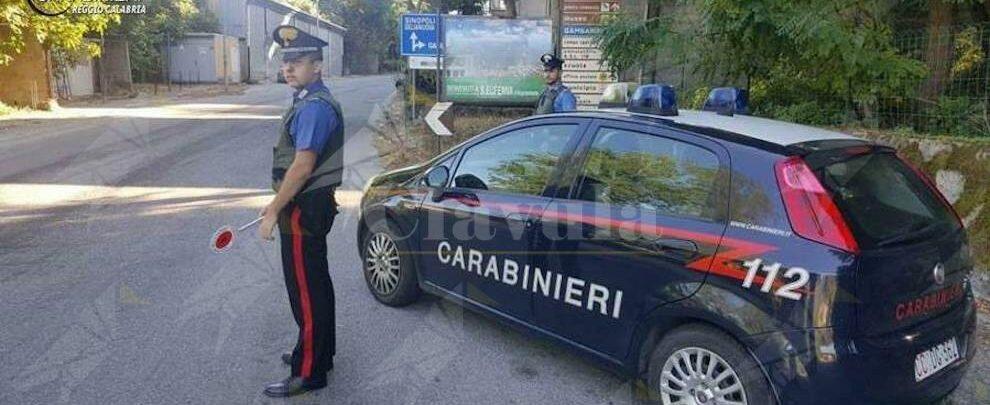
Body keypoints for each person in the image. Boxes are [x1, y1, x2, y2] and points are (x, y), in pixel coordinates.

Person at [257, 24, 344, 398]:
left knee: (306, 292)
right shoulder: (309, 101)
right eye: (286, 62)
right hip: (309, 207)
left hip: (302, 210)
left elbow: (302, 166)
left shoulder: (313, 108)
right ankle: (316, 353)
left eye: (299, 62)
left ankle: (309, 371)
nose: (289, 68)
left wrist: (273, 210)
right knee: (315, 285)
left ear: (318, 66)